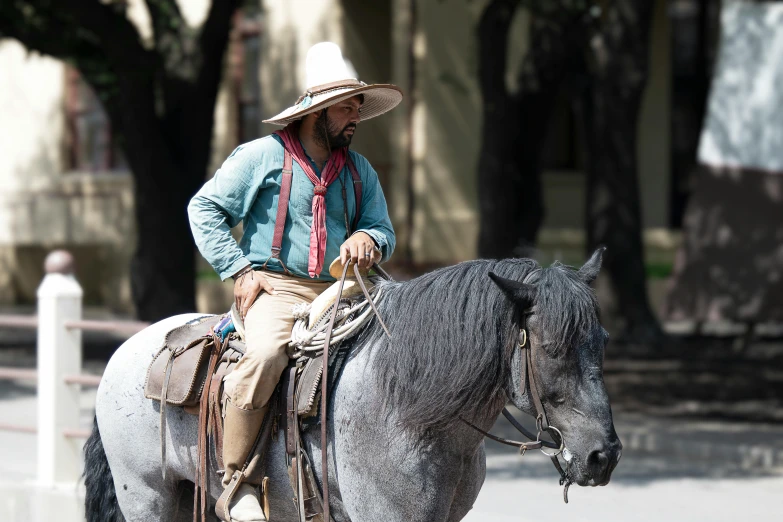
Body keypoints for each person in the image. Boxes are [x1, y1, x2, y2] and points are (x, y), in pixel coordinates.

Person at [188, 42, 402, 522]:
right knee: (264, 356)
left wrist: (369, 238)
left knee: (401, 350)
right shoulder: (260, 156)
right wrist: (238, 269)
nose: (356, 117)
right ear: (317, 111)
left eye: (358, 107)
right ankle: (236, 481)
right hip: (278, 289)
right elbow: (203, 209)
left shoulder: (361, 171)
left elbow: (384, 229)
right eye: (347, 107)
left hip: (344, 290)